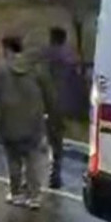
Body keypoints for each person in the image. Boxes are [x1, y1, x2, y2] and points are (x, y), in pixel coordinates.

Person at [0, 35, 53, 209]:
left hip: (9, 121)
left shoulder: (2, 70)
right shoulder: (35, 68)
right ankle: (34, 196)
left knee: (13, 159)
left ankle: (16, 193)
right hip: (34, 121)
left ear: (7, 49)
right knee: (33, 159)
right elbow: (48, 93)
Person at [41, 27, 81, 189]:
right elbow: (75, 83)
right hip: (60, 104)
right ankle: (54, 175)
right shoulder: (69, 58)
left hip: (43, 102)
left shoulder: (44, 56)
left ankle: (29, 176)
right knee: (57, 142)